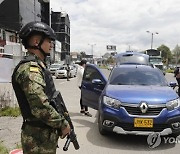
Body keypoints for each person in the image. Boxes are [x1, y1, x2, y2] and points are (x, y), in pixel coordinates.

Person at [11, 21, 70, 154]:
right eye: (49, 41)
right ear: (37, 42)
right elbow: (40, 106)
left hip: (43, 137)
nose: (52, 44)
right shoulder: (30, 69)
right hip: (37, 140)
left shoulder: (39, 66)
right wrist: (62, 124)